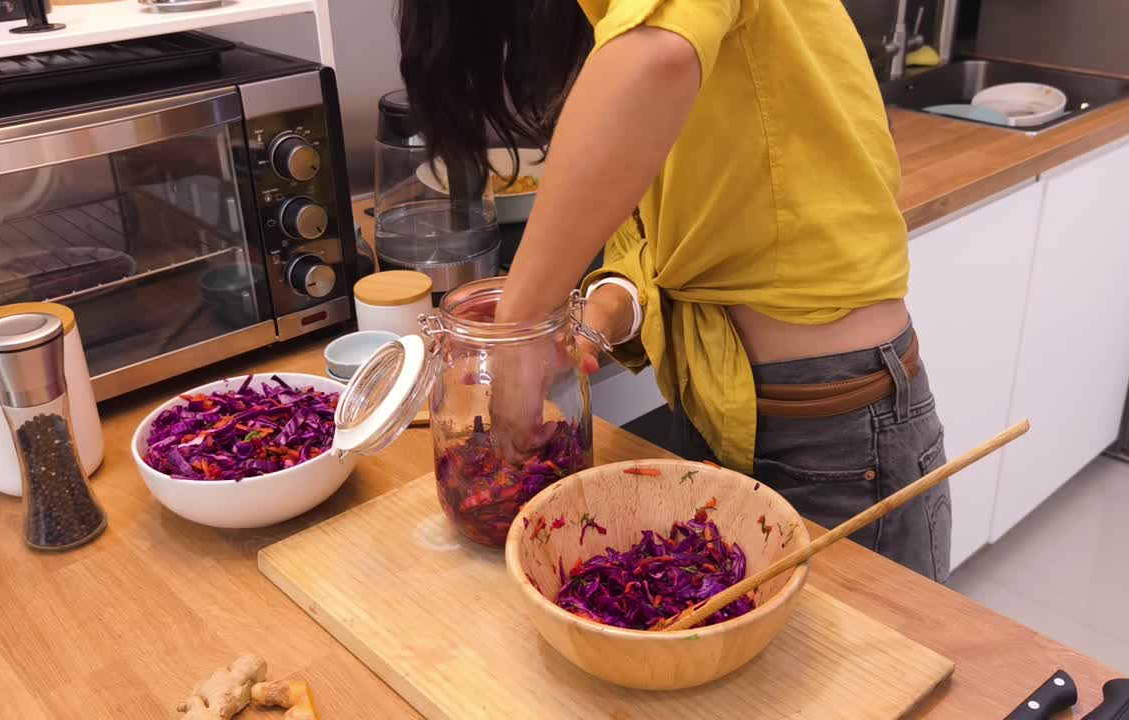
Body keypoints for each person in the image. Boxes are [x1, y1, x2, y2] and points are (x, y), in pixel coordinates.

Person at [397, 0, 951, 581]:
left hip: (832, 428)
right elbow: (681, 226)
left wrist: (517, 331)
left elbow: (658, 57)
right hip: (724, 407)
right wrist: (610, 306)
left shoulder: (659, 37)